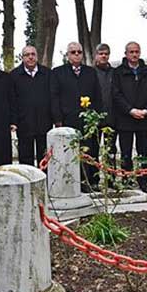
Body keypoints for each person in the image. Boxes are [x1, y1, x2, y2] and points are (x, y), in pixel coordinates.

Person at [51, 42, 101, 192]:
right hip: (68, 119)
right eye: (73, 52)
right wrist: (57, 119)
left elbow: (97, 95)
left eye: (79, 52)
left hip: (87, 120)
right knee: (71, 152)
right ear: (68, 55)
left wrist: (96, 117)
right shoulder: (58, 72)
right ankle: (73, 182)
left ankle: (90, 181)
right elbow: (54, 97)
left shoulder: (90, 72)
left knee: (90, 151)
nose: (77, 54)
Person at [112, 41, 147, 193]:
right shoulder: (118, 72)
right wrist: (130, 110)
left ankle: (143, 181)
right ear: (126, 54)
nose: (134, 54)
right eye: (131, 52)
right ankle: (126, 179)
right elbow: (116, 94)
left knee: (143, 151)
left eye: (137, 51)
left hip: (143, 118)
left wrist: (146, 110)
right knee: (126, 152)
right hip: (125, 119)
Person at [10, 45, 52, 166]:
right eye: (27, 55)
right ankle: (27, 183)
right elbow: (12, 100)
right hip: (24, 123)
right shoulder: (14, 76)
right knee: (25, 158)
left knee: (44, 158)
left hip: (44, 122)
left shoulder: (47, 74)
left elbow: (52, 97)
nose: (30, 57)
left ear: (37, 56)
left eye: (33, 54)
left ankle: (45, 183)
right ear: (22, 58)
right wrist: (13, 121)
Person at [94, 43, 117, 172]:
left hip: (112, 117)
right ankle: (94, 180)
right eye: (101, 54)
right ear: (96, 55)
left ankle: (112, 178)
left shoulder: (115, 73)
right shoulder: (91, 72)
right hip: (95, 118)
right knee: (94, 150)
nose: (103, 56)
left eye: (106, 54)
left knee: (111, 150)